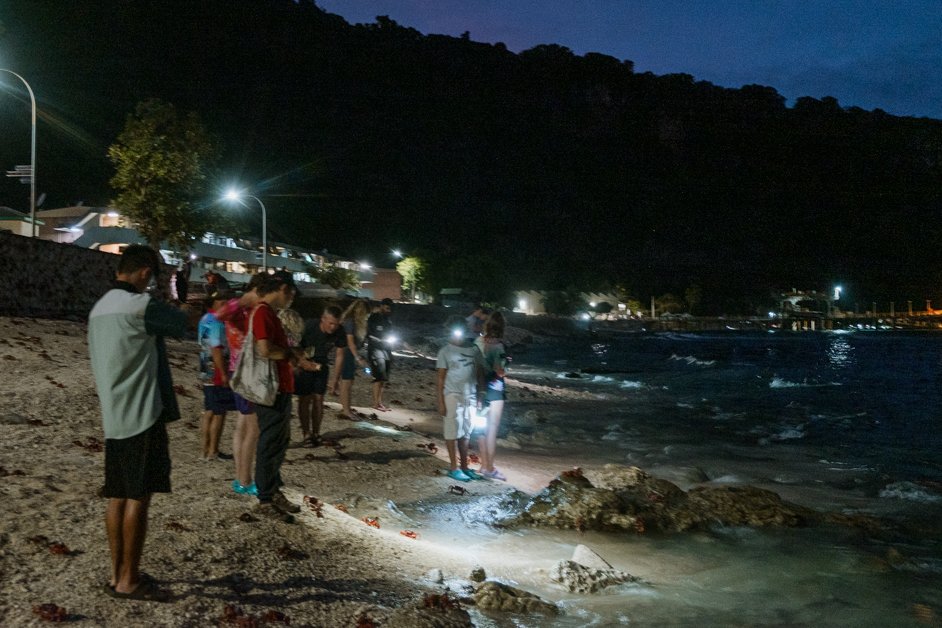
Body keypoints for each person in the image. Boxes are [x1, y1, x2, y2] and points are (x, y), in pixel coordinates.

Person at [88, 244, 187, 601]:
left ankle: (118, 574)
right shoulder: (137, 306)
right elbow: (182, 323)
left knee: (117, 496)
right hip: (142, 414)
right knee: (138, 499)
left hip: (114, 415)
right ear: (145, 272)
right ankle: (129, 581)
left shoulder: (100, 308)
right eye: (155, 276)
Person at [247, 272, 318, 521]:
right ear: (284, 288)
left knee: (279, 441)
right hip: (271, 389)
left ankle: (273, 490)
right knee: (270, 442)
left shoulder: (269, 314)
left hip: (279, 387)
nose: (292, 298)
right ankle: (265, 498)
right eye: (292, 293)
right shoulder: (264, 312)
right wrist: (292, 356)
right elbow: (265, 350)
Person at [214, 273, 266, 495]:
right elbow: (219, 315)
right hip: (245, 372)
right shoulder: (241, 309)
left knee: (242, 425)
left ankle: (241, 478)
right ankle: (245, 480)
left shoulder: (247, 310)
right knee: (252, 428)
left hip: (242, 370)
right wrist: (245, 299)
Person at [436, 323, 485, 482]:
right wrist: (441, 402)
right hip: (452, 394)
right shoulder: (445, 351)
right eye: (455, 333)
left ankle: (464, 466)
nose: (458, 336)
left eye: (461, 333)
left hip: (470, 395)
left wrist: (480, 395)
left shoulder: (474, 350)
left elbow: (479, 373)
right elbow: (441, 378)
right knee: (452, 431)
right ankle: (453, 468)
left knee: (466, 432)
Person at [295, 304, 346, 446]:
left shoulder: (340, 331)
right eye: (330, 323)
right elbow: (294, 345)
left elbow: (340, 355)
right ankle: (306, 433)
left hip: (321, 365)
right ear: (323, 319)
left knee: (318, 399)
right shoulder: (309, 326)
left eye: (336, 324)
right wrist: (302, 362)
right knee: (304, 399)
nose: (333, 327)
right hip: (305, 364)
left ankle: (316, 433)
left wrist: (335, 380)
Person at [197, 290, 236, 461]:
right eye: (222, 301)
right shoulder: (217, 322)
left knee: (210, 410)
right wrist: (224, 374)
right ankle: (213, 450)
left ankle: (205, 450)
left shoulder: (205, 319)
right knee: (219, 412)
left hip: (205, 368)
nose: (226, 304)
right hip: (216, 371)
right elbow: (217, 349)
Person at [475, 311, 509, 481]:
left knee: (480, 428)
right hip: (495, 389)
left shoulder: (477, 342)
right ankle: (490, 467)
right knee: (492, 430)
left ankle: (483, 465)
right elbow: (499, 371)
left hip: (478, 389)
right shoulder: (499, 346)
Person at [332, 299, 371, 419]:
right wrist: (358, 358)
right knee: (346, 382)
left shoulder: (351, 321)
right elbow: (350, 342)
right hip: (347, 353)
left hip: (349, 353)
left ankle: (346, 408)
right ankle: (346, 410)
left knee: (348, 381)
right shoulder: (350, 322)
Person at [367, 298, 395, 411]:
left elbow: (391, 334)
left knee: (384, 377)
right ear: (382, 306)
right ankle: (375, 403)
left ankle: (379, 402)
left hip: (386, 349)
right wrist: (379, 340)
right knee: (378, 376)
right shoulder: (373, 318)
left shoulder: (388, 321)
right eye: (387, 308)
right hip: (375, 349)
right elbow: (369, 334)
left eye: (390, 309)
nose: (389, 310)